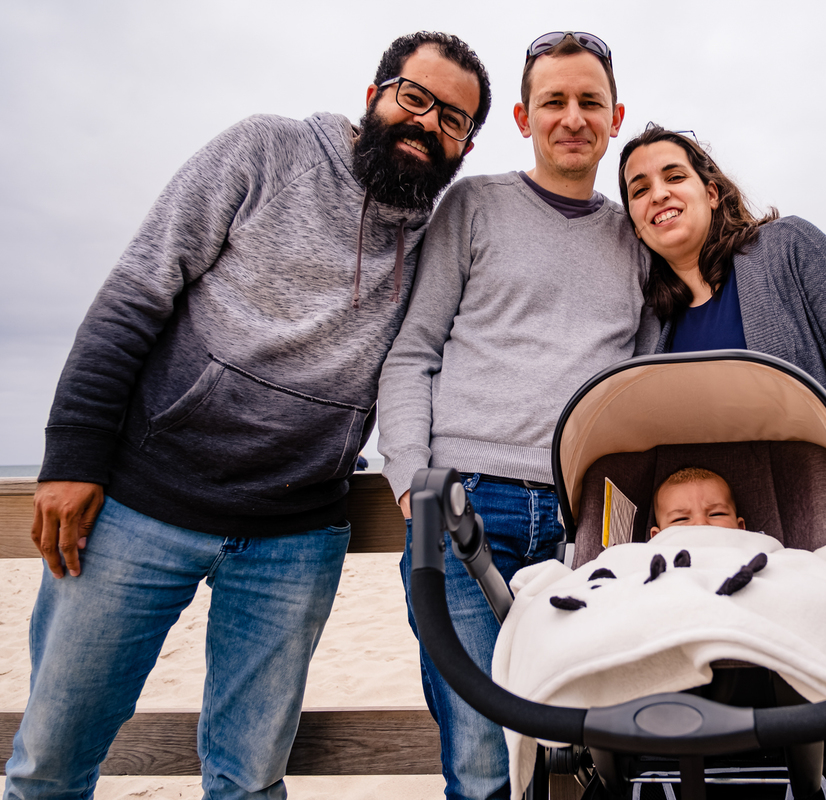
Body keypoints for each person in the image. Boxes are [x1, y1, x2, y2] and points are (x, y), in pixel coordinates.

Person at [6, 32, 490, 800]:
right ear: (375, 96)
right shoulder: (266, 150)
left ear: (465, 145)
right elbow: (135, 294)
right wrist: (72, 454)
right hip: (141, 507)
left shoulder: (443, 235)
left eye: (454, 119)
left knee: (249, 783)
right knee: (50, 763)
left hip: (296, 538)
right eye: (415, 97)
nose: (428, 123)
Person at [379, 31, 656, 800]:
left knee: (596, 743)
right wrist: (412, 482)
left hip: (592, 518)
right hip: (466, 506)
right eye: (553, 101)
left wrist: (625, 514)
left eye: (590, 101)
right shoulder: (472, 206)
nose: (573, 116)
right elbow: (411, 353)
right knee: (480, 758)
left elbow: (643, 395)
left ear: (615, 117)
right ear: (524, 118)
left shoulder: (636, 236)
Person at [618, 125, 826, 556]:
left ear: (712, 193)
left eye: (674, 177)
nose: (659, 194)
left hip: (825, 521)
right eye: (640, 190)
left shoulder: (787, 247)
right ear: (636, 225)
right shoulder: (651, 324)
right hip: (702, 554)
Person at [649, 467, 746, 536]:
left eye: (717, 514)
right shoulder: (650, 556)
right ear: (657, 537)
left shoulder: (752, 546)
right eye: (680, 519)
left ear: (740, 527)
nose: (701, 523)